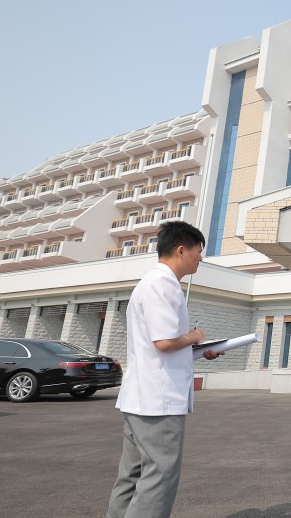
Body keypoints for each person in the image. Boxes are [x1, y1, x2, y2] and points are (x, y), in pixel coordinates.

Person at [107, 221, 223, 518]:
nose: (201, 258)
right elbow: (164, 342)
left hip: (140, 398)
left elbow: (160, 346)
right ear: (182, 250)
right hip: (158, 402)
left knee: (131, 475)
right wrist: (196, 337)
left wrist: (198, 350)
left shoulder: (150, 283)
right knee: (160, 476)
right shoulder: (164, 285)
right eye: (199, 252)